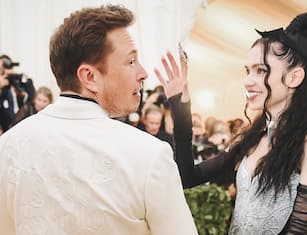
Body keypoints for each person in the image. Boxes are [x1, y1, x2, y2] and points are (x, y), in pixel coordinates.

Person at [0, 5, 197, 235]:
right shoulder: (150, 155)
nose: (143, 73)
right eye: (131, 61)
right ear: (89, 76)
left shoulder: (8, 146)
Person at [155, 12, 307, 234]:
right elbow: (187, 177)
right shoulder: (251, 137)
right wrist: (181, 107)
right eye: (247, 71)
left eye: (261, 70)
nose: (248, 81)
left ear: (294, 77)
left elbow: (299, 230)